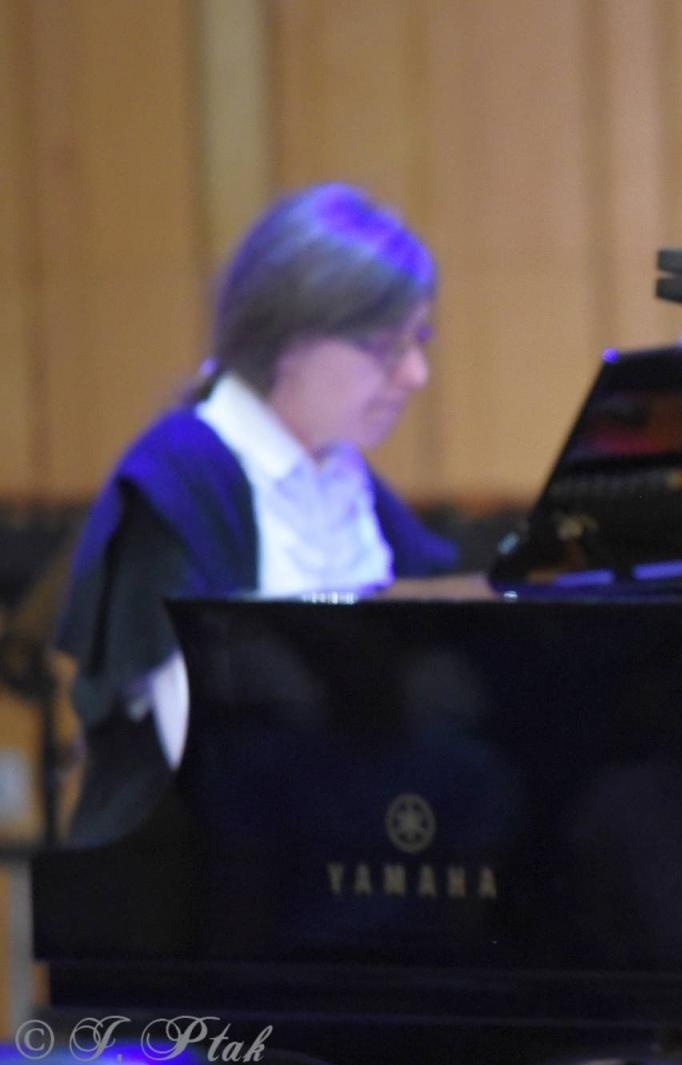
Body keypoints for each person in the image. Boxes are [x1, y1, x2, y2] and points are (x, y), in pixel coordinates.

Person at [56, 183, 457, 845]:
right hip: (197, 886)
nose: (415, 374)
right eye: (385, 347)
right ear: (289, 343)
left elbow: (443, 685)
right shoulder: (179, 482)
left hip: (329, 840)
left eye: (420, 340)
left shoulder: (347, 477)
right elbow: (210, 748)